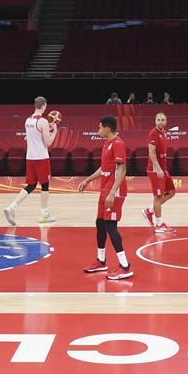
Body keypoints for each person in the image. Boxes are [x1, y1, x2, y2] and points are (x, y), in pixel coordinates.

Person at [79, 115, 133, 280]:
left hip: (114, 192)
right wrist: (88, 180)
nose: (98, 130)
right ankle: (101, 261)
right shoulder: (107, 143)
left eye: (100, 127)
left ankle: (125, 266)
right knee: (100, 224)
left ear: (107, 129)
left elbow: (122, 170)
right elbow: (104, 167)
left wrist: (112, 192)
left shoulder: (118, 144)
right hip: (105, 190)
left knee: (110, 225)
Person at [4, 96, 58, 225]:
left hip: (30, 157)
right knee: (45, 185)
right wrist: (54, 131)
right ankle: (44, 214)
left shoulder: (27, 120)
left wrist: (47, 129)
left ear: (35, 105)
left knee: (31, 185)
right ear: (44, 106)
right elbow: (48, 142)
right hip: (41, 157)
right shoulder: (43, 121)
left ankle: (12, 207)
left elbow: (36, 135)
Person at [142, 112, 176, 234]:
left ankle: (149, 211)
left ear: (166, 121)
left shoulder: (163, 133)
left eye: (162, 120)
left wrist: (164, 169)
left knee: (171, 192)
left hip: (163, 169)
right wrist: (159, 169)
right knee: (158, 197)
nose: (160, 122)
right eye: (158, 120)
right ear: (155, 121)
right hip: (155, 170)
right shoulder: (153, 133)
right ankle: (159, 224)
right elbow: (151, 153)